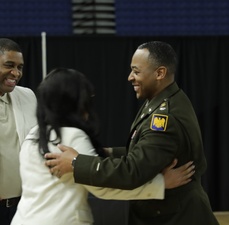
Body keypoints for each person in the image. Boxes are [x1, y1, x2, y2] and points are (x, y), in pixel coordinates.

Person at [45, 41, 219, 225]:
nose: (130, 77)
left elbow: (132, 171)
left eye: (136, 71)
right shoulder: (163, 99)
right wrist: (108, 152)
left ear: (160, 73)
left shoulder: (164, 117)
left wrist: (75, 162)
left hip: (177, 217)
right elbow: (147, 150)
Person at [11, 68, 194, 225]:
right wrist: (161, 183)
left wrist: (106, 153)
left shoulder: (34, 134)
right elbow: (103, 186)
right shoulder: (73, 135)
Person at [0, 38, 37, 225]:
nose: (16, 73)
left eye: (20, 67)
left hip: (22, 207)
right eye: (9, 65)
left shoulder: (28, 96)